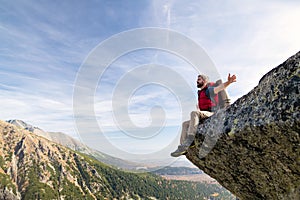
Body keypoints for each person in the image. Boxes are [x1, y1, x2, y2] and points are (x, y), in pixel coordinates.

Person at [171, 73, 237, 157]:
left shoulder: (208, 90)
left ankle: (190, 140)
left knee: (194, 113)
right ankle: (183, 147)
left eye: (199, 79)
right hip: (204, 114)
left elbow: (220, 88)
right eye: (197, 79)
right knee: (185, 124)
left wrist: (229, 82)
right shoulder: (200, 93)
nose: (197, 81)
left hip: (212, 113)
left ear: (204, 81)